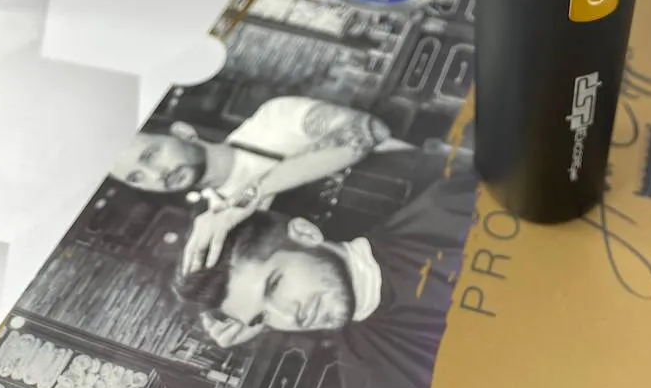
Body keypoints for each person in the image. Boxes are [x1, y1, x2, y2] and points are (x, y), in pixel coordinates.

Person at [172, 169, 476, 388]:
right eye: (261, 317)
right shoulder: (369, 387)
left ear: (305, 234)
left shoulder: (452, 209)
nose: (289, 316)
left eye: (274, 284)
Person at [109, 94, 451, 265]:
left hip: (448, 186)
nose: (157, 175)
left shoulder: (272, 119)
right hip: (426, 252)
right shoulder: (220, 230)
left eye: (150, 155)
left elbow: (366, 132)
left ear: (182, 131)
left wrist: (255, 191)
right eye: (137, 178)